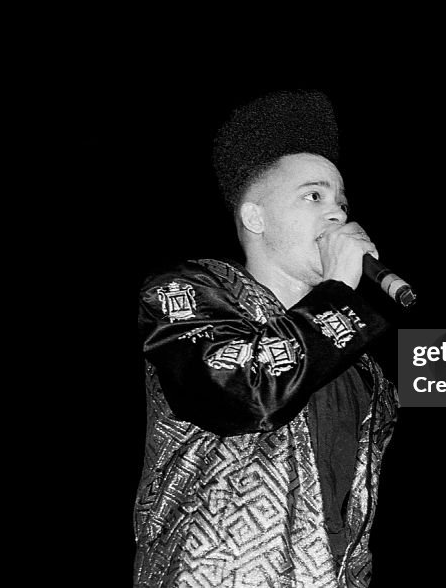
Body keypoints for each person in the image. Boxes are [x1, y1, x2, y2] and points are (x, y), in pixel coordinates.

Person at [133, 90, 399, 587]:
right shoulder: (184, 289)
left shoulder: (363, 363)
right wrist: (341, 294)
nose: (338, 214)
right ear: (255, 217)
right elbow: (240, 390)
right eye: (313, 196)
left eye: (341, 202)